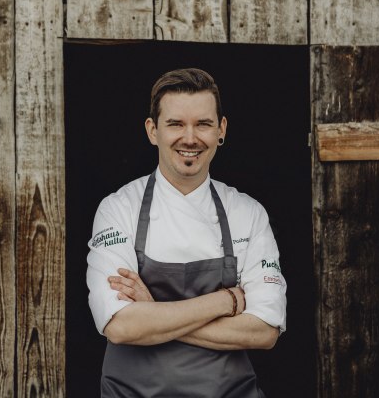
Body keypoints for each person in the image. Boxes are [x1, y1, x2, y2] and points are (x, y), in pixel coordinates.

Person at [86, 68, 287, 397]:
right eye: (176, 124)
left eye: (203, 124)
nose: (190, 138)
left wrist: (152, 311)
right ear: (153, 131)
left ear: (221, 129)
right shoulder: (117, 209)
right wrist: (227, 299)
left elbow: (263, 332)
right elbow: (121, 326)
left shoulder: (248, 214)